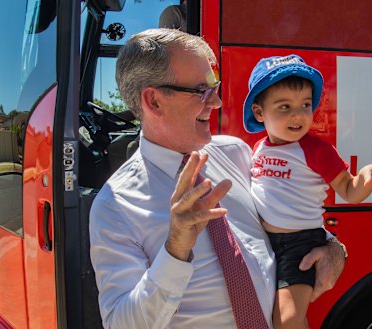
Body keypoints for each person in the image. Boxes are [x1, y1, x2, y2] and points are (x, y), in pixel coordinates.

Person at [89, 29, 346, 329]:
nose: (217, 102)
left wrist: (333, 247)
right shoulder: (115, 205)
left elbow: (281, 210)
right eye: (202, 91)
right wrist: (175, 248)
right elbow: (121, 324)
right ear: (154, 101)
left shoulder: (235, 152)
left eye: (215, 87)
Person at [243, 54, 372, 329]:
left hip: (300, 246)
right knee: (281, 318)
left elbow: (349, 190)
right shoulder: (257, 149)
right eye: (284, 107)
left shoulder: (317, 150)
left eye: (305, 105)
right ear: (260, 113)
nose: (298, 114)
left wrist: (368, 176)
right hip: (262, 244)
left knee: (287, 320)